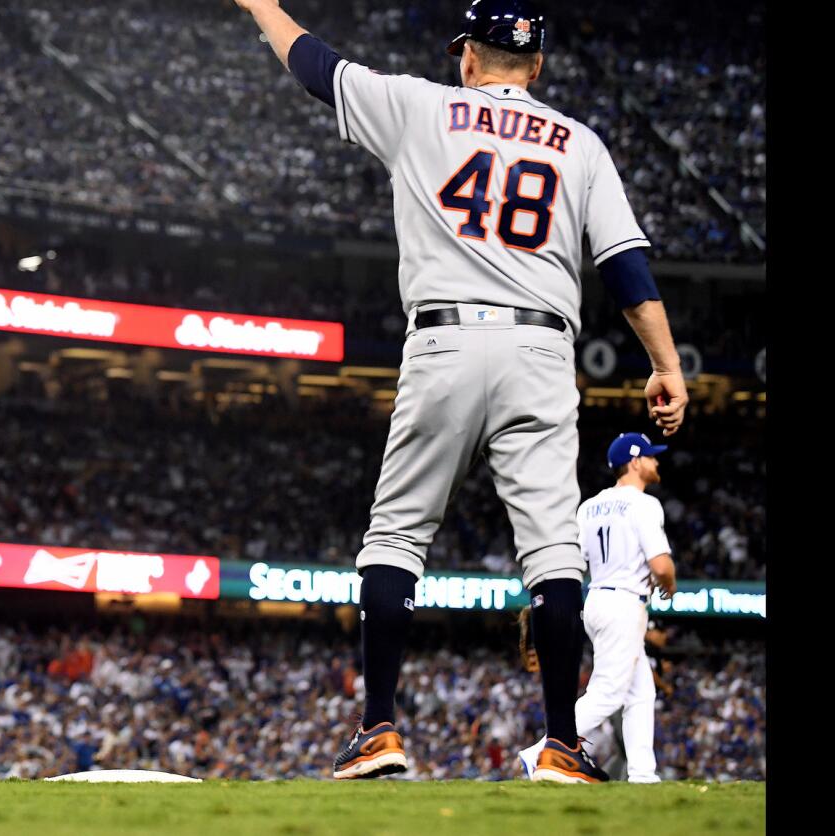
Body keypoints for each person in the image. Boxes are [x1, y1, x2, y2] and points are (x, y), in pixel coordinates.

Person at [230, 0, 687, 782]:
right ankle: (562, 746)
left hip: (442, 338)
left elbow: (316, 68)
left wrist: (263, 6)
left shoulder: (421, 104)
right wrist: (666, 365)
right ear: (536, 66)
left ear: (469, 59)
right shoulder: (579, 144)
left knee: (398, 535)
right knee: (550, 549)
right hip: (542, 347)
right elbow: (626, 271)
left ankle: (379, 730)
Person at [518, 433, 677, 782]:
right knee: (607, 693)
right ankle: (540, 753)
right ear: (635, 462)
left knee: (640, 691)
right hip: (624, 602)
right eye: (651, 456)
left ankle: (642, 773)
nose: (656, 461)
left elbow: (579, 559)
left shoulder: (589, 506)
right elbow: (662, 565)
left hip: (597, 598)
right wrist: (670, 585)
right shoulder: (644, 504)